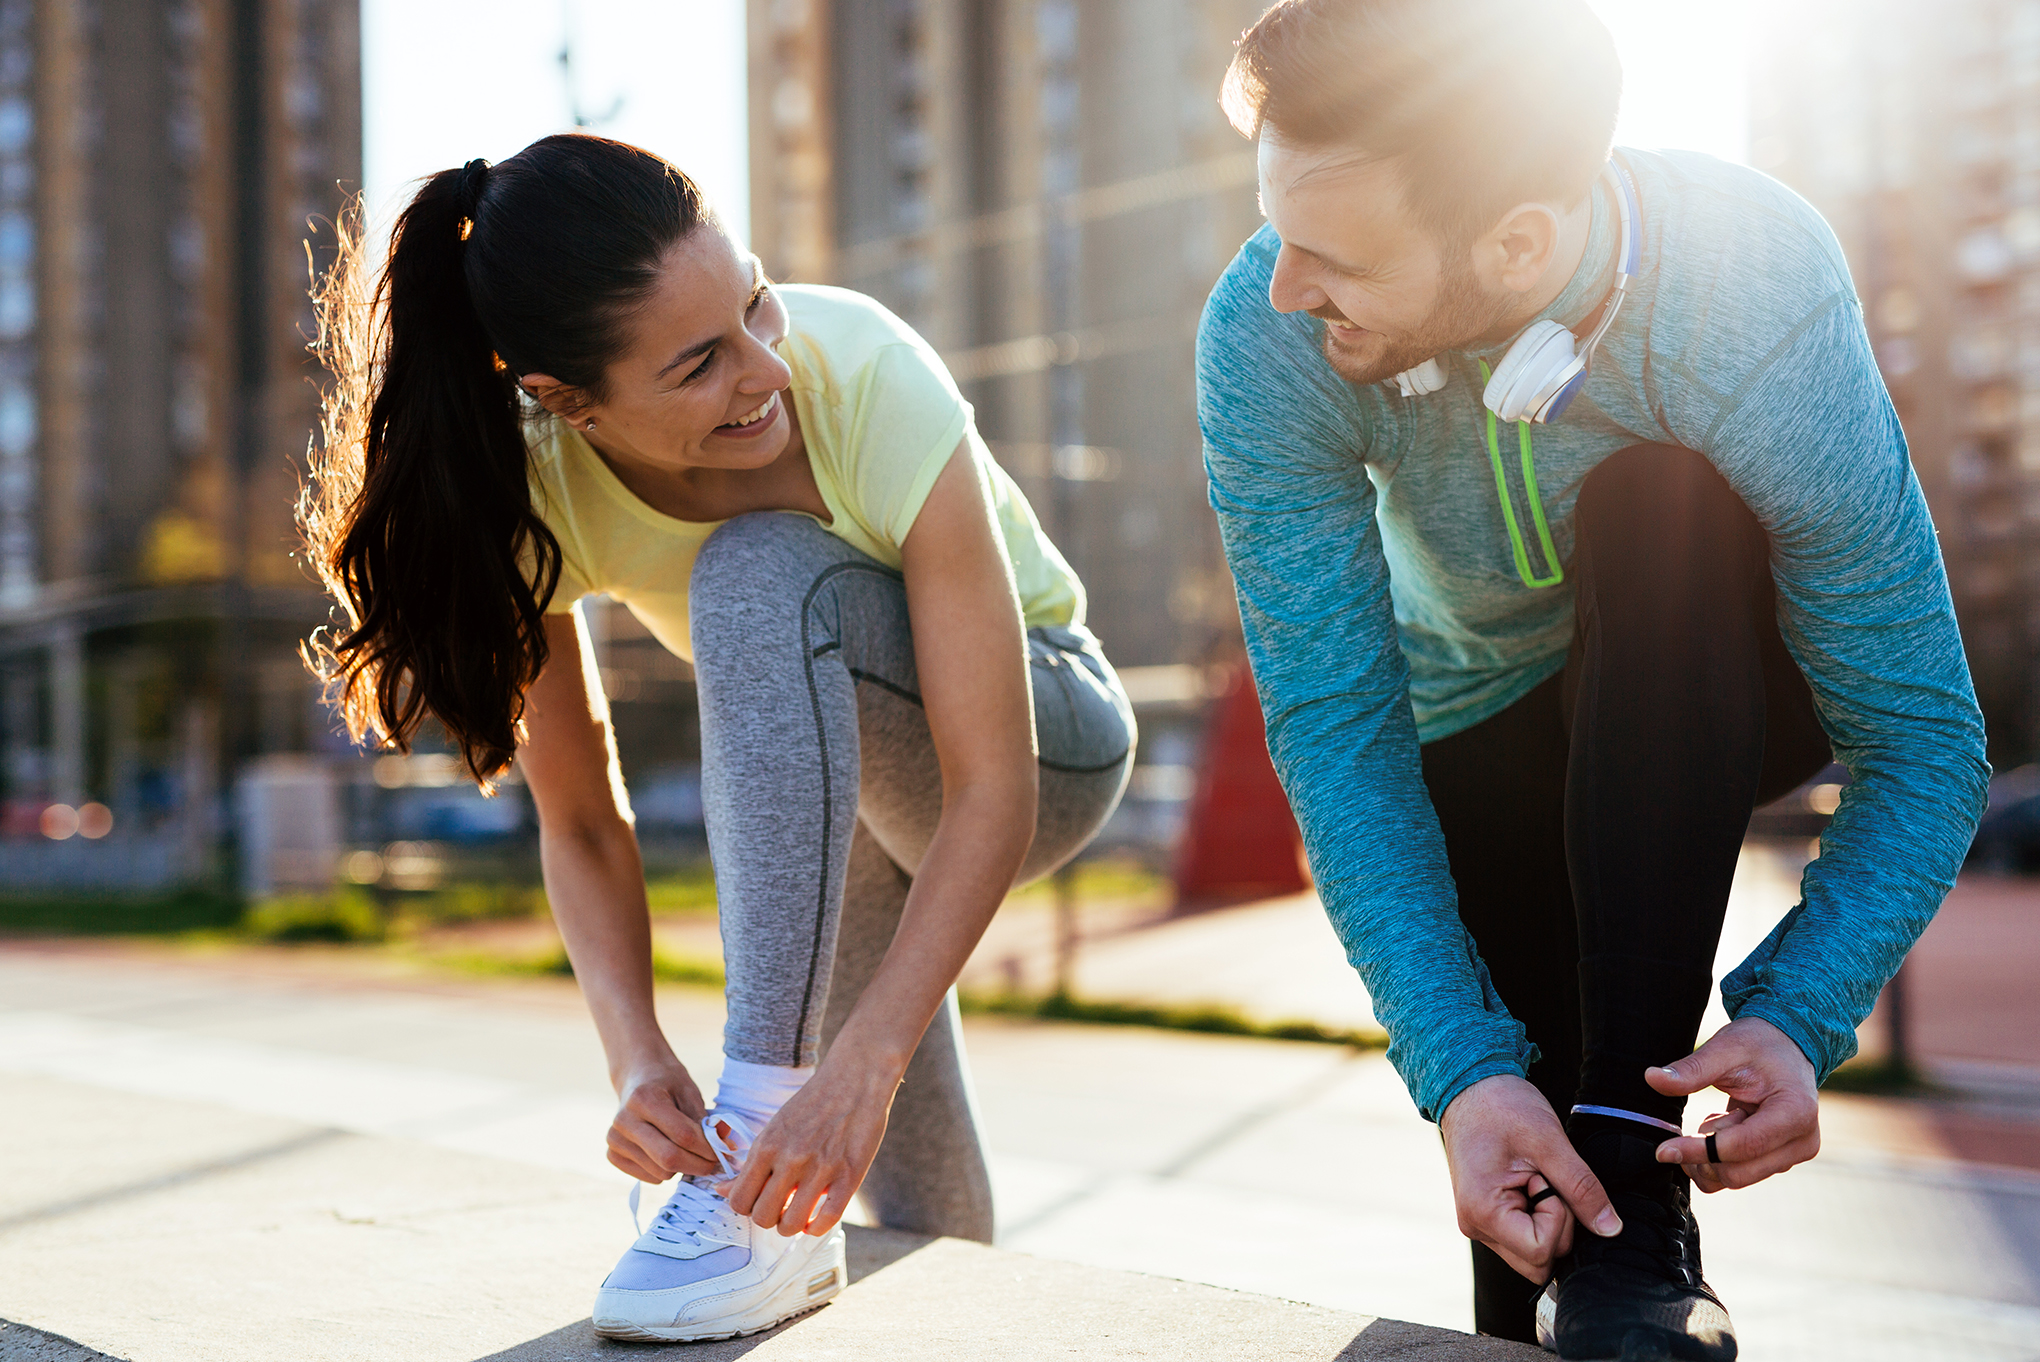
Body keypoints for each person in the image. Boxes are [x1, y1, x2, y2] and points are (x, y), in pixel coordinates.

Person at [1195, 2, 1988, 1357]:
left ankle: (1635, 1164)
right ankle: (1611, 1233)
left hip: (1718, 678)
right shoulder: (1266, 338)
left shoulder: (1750, 283)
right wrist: (1462, 1071)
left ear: (1515, 240)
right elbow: (1338, 730)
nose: (1282, 288)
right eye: (1280, 232)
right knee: (1540, 1220)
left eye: (1331, 256)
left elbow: (1920, 735)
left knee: (1657, 501)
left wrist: (1800, 1011)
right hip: (1481, 730)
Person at [300, 134, 1133, 1343]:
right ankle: (895, 1286)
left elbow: (992, 786)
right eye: (699, 364)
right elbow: (581, 821)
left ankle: (751, 1124)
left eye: (754, 303)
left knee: (752, 575)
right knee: (880, 1185)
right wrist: (635, 1059)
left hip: (1048, 742)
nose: (764, 372)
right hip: (844, 795)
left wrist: (861, 1061)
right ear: (565, 403)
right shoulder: (533, 489)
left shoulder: (862, 375)